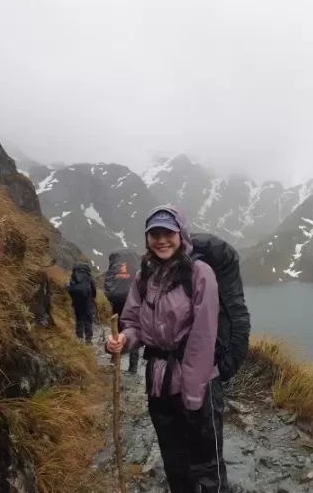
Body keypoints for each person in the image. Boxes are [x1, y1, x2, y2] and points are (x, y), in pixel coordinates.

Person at [106, 207, 230, 492]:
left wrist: (192, 395)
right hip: (159, 382)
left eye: (168, 233)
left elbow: (203, 337)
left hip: (198, 383)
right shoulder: (144, 277)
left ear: (181, 235)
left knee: (206, 464)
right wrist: (123, 340)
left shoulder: (200, 274)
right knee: (174, 459)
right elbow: (133, 322)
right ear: (147, 238)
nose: (162, 240)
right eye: (155, 234)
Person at [103, 248, 141, 373]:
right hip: (132, 299)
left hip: (117, 301)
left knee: (119, 330)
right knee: (133, 327)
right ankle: (133, 366)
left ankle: (115, 359)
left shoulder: (115, 266)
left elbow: (108, 284)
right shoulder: (135, 266)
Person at [67, 262, 97, 345]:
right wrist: (93, 297)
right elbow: (93, 289)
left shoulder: (73, 276)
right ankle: (88, 340)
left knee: (79, 319)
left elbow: (70, 289)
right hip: (87, 301)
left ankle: (79, 338)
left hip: (77, 302)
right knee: (88, 320)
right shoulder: (88, 277)